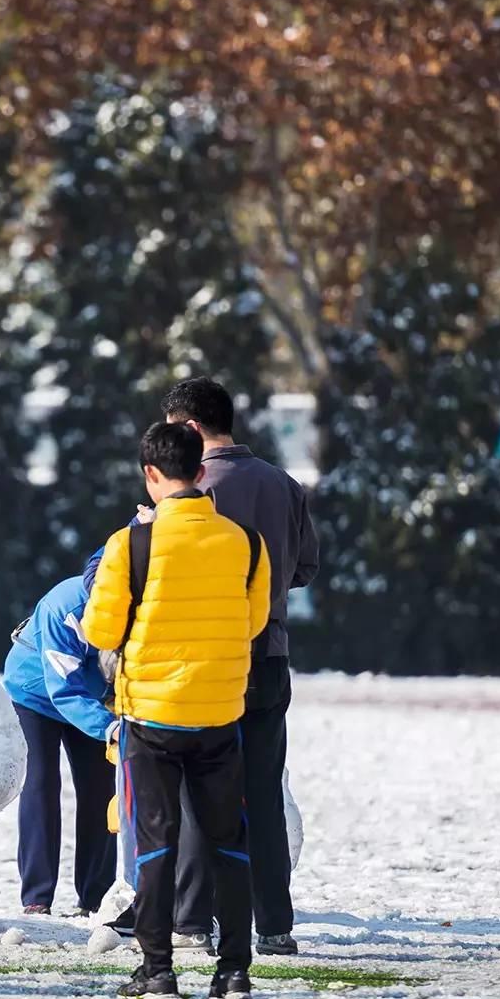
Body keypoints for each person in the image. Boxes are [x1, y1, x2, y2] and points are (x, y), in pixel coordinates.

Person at [82, 422, 271, 999]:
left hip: (152, 717)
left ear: (151, 475)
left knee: (157, 842)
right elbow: (254, 622)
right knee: (228, 841)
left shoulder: (130, 543)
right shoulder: (245, 541)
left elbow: (99, 628)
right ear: (200, 471)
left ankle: (157, 968)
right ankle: (235, 969)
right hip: (219, 710)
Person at [163, 376, 319, 955]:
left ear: (190, 428)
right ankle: (275, 924)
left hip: (210, 660)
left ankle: (193, 921)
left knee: (201, 791)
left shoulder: (191, 493)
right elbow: (305, 568)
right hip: (271, 657)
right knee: (263, 790)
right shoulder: (283, 484)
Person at [2, 551, 118, 917]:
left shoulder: (136, 603)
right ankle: (37, 897)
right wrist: (110, 728)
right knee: (40, 785)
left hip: (94, 694)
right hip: (35, 694)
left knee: (101, 790)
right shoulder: (63, 606)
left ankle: (95, 896)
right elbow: (63, 689)